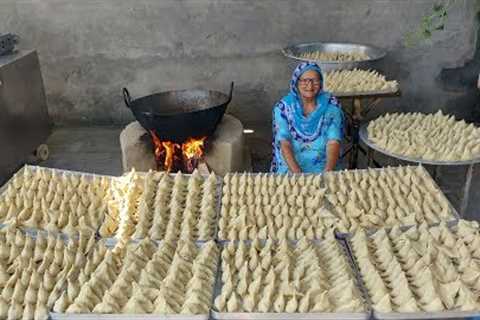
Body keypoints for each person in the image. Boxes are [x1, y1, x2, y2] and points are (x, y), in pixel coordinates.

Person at [271, 62, 344, 173]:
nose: (309, 86)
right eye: (304, 81)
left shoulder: (331, 106)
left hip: (322, 165)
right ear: (296, 83)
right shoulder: (283, 109)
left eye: (314, 81)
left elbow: (333, 141)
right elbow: (284, 143)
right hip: (291, 166)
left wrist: (328, 171)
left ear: (321, 83)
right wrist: (298, 174)